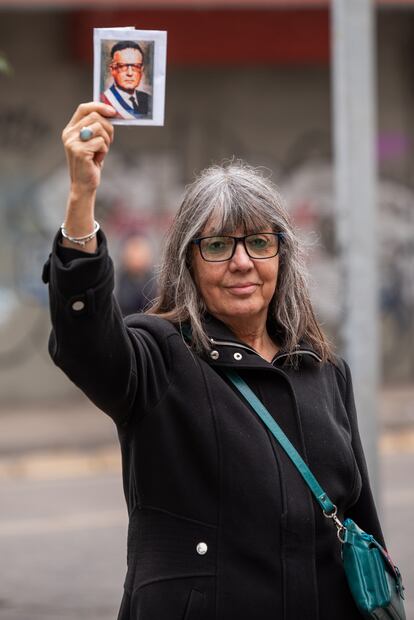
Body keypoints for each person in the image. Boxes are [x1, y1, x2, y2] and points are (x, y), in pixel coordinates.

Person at [43, 101, 386, 620]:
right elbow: (86, 341)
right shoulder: (157, 355)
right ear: (188, 263)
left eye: (258, 242)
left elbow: (359, 525)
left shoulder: (324, 370)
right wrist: (81, 199)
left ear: (282, 256)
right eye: (219, 245)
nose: (242, 262)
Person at [101, 41, 152, 120]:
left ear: (141, 70)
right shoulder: (104, 101)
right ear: (112, 70)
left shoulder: (148, 100)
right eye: (122, 66)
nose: (130, 73)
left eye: (136, 66)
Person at [115, 233, 157, 316]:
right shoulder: (115, 283)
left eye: (140, 251)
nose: (136, 256)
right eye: (133, 250)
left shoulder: (156, 284)